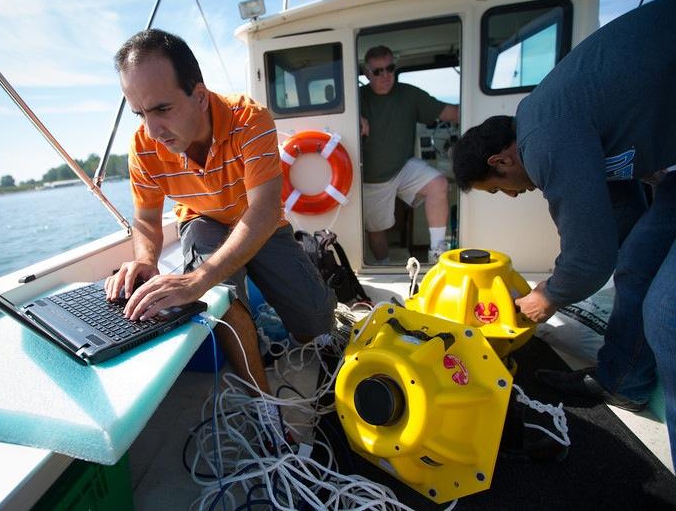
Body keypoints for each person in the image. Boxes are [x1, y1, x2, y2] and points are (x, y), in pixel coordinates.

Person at [451, 0, 676, 464]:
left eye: (499, 189)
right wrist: (567, 278)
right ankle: (624, 382)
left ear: (502, 160)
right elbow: (616, 225)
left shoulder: (544, 138)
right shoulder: (556, 126)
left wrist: (546, 296)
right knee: (637, 264)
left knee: (666, 312)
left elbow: (590, 255)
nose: (513, 195)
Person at [104, 29, 337, 446]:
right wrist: (145, 259)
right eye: (139, 113)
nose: (152, 129)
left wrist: (196, 278)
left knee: (316, 321)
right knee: (225, 302)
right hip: (203, 220)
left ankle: (317, 331)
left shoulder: (251, 119)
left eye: (161, 108)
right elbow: (146, 222)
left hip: (257, 220)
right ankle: (267, 410)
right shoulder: (143, 146)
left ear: (198, 94)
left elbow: (264, 211)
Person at [359, 45, 459, 264]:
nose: (385, 75)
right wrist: (355, 121)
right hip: (371, 178)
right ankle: (384, 267)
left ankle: (437, 253)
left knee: (439, 184)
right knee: (376, 229)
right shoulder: (357, 99)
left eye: (390, 68)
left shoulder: (409, 94)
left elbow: (451, 113)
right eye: (378, 71)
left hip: (402, 167)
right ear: (367, 74)